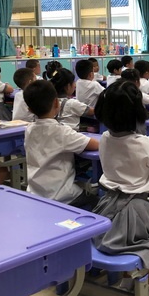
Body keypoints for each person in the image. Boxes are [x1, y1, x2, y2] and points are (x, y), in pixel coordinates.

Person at [93, 80, 149, 296]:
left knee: (125, 242)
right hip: (137, 208)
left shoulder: (104, 139)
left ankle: (129, 282)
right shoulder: (144, 143)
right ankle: (138, 290)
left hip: (106, 205)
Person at [23, 80, 99, 209]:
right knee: (96, 201)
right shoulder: (61, 132)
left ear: (29, 109)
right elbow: (94, 144)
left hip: (35, 192)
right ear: (56, 102)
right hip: (61, 195)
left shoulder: (29, 129)